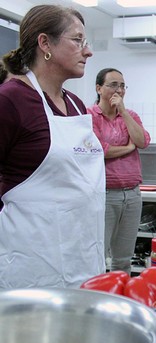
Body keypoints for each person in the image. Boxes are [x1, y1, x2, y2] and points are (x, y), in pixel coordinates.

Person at [0, 5, 105, 288]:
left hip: (84, 261)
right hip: (32, 269)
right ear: (45, 43)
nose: (88, 51)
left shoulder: (75, 105)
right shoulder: (11, 101)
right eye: (78, 40)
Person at [88, 68, 151, 274]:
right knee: (98, 253)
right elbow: (99, 150)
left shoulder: (130, 115)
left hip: (132, 193)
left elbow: (141, 141)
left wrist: (123, 112)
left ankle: (120, 297)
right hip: (105, 194)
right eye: (113, 84)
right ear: (99, 88)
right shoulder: (90, 115)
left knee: (123, 257)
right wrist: (127, 148)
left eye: (122, 85)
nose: (119, 89)